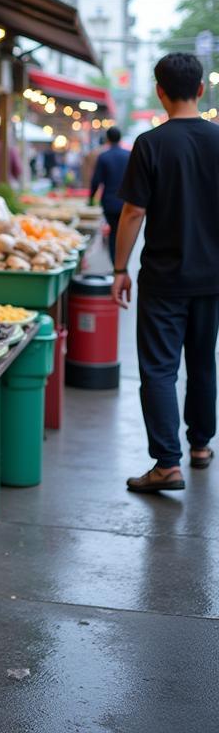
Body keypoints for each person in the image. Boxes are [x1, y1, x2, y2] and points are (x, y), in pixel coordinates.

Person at [112, 53, 219, 492]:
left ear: (160, 91)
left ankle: (166, 463)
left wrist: (120, 268)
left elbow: (134, 211)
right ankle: (200, 446)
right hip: (212, 277)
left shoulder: (150, 143)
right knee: (203, 362)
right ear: (200, 89)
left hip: (163, 277)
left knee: (158, 369)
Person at [88, 127, 130, 263]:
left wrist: (91, 199)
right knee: (125, 233)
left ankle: (115, 263)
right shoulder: (129, 155)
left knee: (113, 233)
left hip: (110, 202)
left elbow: (96, 181)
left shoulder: (104, 156)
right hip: (127, 202)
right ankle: (123, 262)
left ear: (107, 139)